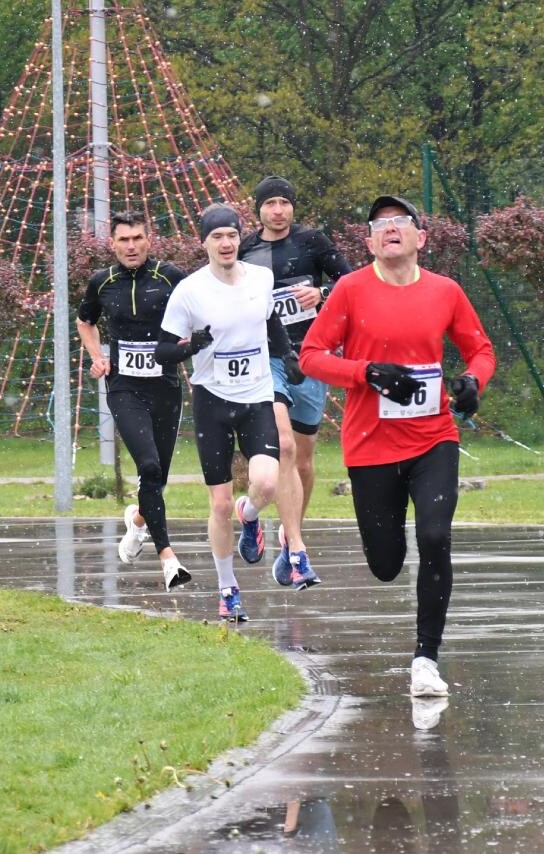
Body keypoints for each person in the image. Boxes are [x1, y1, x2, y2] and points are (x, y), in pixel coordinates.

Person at [300, 195, 495, 698]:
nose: (391, 229)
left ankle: (426, 659)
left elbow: (480, 349)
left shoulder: (445, 291)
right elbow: (311, 357)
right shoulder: (349, 290)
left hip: (434, 439)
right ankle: (391, 552)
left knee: (435, 538)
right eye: (380, 225)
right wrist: (366, 373)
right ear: (368, 243)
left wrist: (473, 380)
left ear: (419, 238)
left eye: (401, 222)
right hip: (370, 447)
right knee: (386, 565)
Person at [155, 204, 304, 621]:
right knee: (219, 504)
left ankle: (250, 514)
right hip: (212, 401)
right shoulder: (189, 291)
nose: (225, 243)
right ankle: (228, 588)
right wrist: (191, 345)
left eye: (232, 235)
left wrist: (288, 354)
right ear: (204, 243)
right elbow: (163, 351)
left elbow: (270, 320)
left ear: (241, 238)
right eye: (217, 236)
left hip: (256, 395)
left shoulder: (260, 277)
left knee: (267, 484)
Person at [239, 176, 351, 589]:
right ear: (259, 210)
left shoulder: (313, 242)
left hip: (310, 355)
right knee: (283, 446)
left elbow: (350, 281)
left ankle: (286, 535)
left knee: (303, 460)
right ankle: (300, 549)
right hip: (266, 358)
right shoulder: (246, 249)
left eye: (285, 202)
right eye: (271, 204)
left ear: (293, 208)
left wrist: (321, 293)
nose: (279, 210)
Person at [76, 210, 191, 591]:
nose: (130, 246)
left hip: (166, 388)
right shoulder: (102, 281)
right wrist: (97, 356)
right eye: (123, 240)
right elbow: (85, 320)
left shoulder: (171, 277)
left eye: (137, 238)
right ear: (112, 244)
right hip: (124, 388)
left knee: (159, 476)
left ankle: (137, 524)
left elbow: (198, 314)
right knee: (148, 467)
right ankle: (168, 559)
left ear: (148, 240)